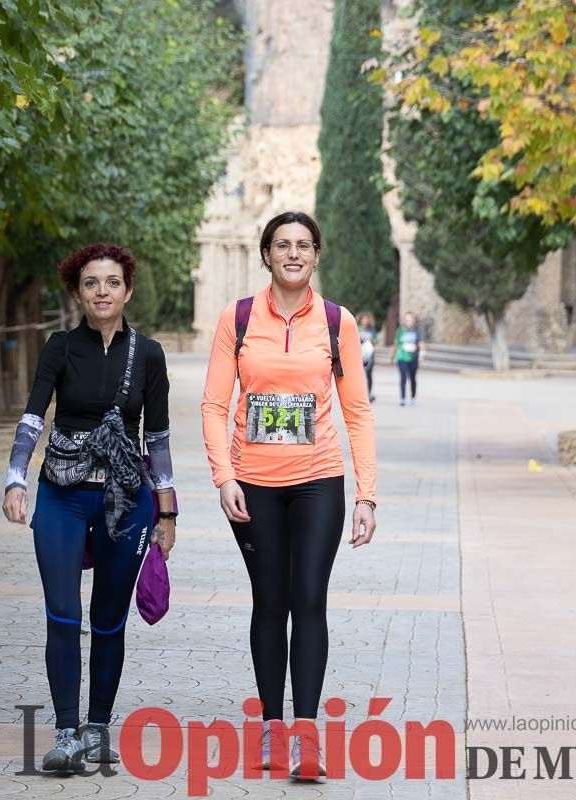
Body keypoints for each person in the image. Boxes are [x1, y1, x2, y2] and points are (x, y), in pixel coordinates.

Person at [200, 211, 378, 781]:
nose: (293, 254)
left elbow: (356, 411)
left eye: (303, 245)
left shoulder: (335, 322)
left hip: (319, 481)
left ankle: (307, 741)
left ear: (317, 255)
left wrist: (366, 495)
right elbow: (213, 405)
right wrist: (224, 476)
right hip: (253, 486)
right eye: (283, 245)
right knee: (269, 602)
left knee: (309, 601)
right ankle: (271, 733)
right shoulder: (239, 317)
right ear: (267, 255)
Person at [2, 243, 177, 773]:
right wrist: (15, 479)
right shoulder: (58, 347)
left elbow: (159, 437)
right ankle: (64, 732)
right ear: (78, 292)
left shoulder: (147, 354)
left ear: (127, 290)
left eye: (112, 282)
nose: (102, 291)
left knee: (107, 620)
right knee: (62, 613)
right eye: (91, 283)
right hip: (60, 495)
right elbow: (34, 417)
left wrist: (167, 513)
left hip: (126, 503)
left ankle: (98, 729)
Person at [391, 311, 424, 405]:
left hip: (413, 357)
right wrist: (392, 357)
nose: (408, 321)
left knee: (412, 378)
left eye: (410, 320)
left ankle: (413, 396)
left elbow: (421, 343)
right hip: (402, 356)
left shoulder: (417, 331)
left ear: (413, 321)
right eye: (406, 320)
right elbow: (396, 343)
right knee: (403, 377)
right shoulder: (400, 330)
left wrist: (421, 355)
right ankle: (402, 398)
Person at [356, 311, 378, 403]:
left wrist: (371, 340)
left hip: (369, 355)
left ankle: (368, 394)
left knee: (369, 374)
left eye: (366, 319)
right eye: (363, 319)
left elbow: (375, 341)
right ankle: (358, 394)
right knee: (358, 375)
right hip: (358, 354)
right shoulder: (357, 328)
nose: (365, 321)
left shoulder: (372, 330)